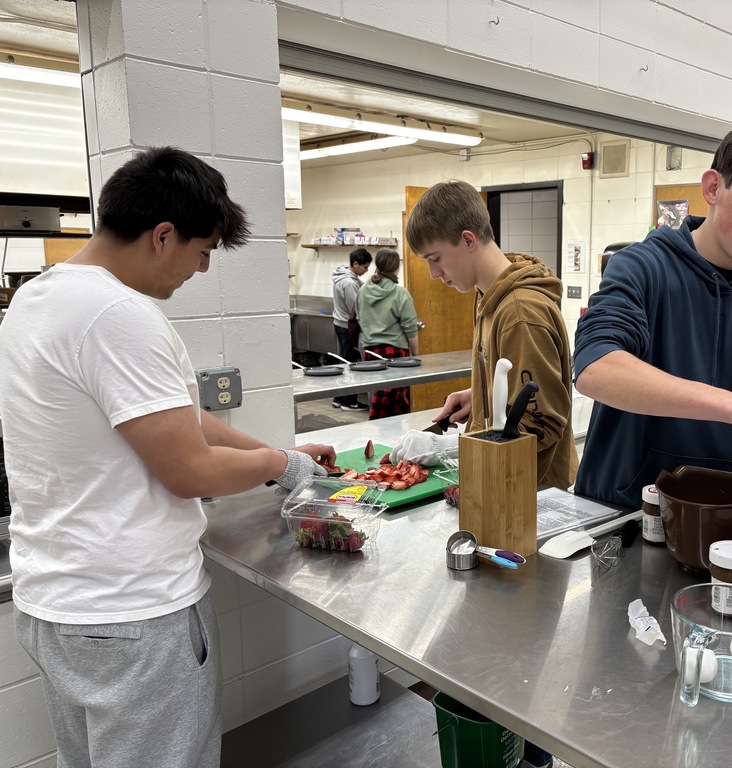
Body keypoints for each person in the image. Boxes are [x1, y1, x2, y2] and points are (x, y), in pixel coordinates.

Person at [0, 147, 334, 768]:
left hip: (57, 605)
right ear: (162, 236)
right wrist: (277, 467)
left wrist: (277, 452)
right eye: (203, 251)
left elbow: (173, 419)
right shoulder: (118, 316)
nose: (201, 268)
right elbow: (190, 470)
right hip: (134, 615)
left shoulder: (37, 297)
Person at [572, 119, 732, 509]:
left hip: (728, 519)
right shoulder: (642, 267)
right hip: (624, 513)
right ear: (713, 188)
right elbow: (595, 369)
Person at [396, 179, 578, 491]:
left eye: (435, 258)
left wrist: (448, 447)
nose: (433, 274)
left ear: (468, 240)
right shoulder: (488, 296)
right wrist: (481, 398)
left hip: (528, 493)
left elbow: (541, 424)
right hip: (499, 480)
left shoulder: (519, 312)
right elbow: (521, 392)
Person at [355, 247, 420, 419]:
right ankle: (382, 428)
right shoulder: (400, 293)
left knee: (378, 393)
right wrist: (416, 352)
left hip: (370, 350)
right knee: (397, 399)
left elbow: (359, 317)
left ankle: (379, 429)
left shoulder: (363, 291)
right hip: (395, 351)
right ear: (396, 267)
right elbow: (410, 326)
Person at [331, 246, 372, 410]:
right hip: (347, 327)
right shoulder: (349, 283)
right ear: (355, 264)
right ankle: (349, 401)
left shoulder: (343, 277)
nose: (366, 271)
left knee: (344, 362)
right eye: (365, 267)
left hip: (340, 324)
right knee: (350, 364)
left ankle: (339, 398)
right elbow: (356, 309)